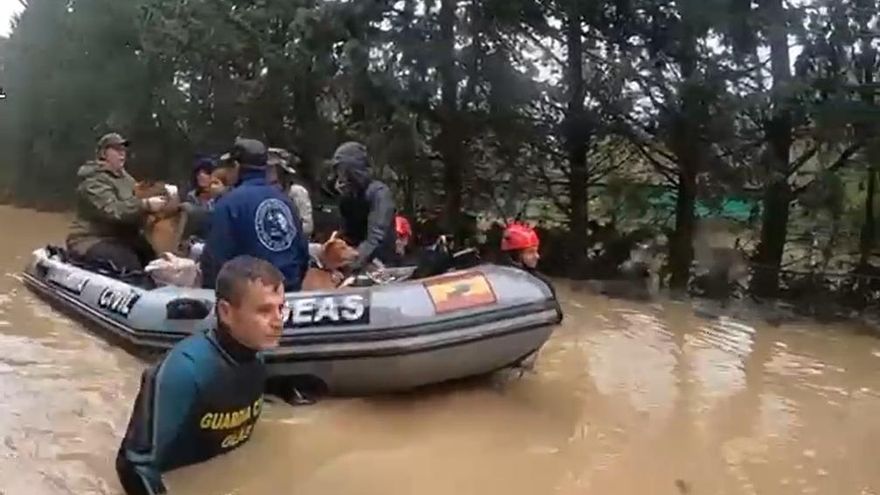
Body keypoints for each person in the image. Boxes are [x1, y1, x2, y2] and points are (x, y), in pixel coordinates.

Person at [115, 256, 284, 495]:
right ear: (225, 312)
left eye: (281, 308)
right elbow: (133, 464)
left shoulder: (257, 355)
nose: (278, 321)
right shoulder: (185, 371)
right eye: (264, 310)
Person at [200, 138, 309, 291]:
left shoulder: (229, 204)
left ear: (236, 166)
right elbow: (303, 253)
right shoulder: (285, 201)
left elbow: (215, 259)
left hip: (249, 296)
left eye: (228, 166)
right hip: (289, 294)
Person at [66, 133, 170, 273]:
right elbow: (113, 210)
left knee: (153, 256)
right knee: (129, 264)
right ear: (103, 154)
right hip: (91, 239)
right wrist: (146, 205)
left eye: (123, 150)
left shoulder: (128, 180)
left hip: (120, 238)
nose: (122, 153)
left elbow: (137, 201)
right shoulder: (93, 180)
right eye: (116, 149)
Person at [331, 141, 397, 268]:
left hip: (382, 263)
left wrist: (351, 262)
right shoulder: (348, 197)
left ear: (353, 171)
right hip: (357, 260)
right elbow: (346, 234)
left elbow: (376, 238)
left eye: (342, 171)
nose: (340, 177)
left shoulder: (379, 193)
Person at [500, 221, 556, 297]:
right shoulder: (499, 284)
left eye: (536, 251)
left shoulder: (542, 283)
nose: (537, 256)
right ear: (515, 256)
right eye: (530, 252)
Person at [268, 147, 314, 238]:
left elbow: (307, 227)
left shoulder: (297, 192)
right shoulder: (265, 193)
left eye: (272, 169)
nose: (268, 172)